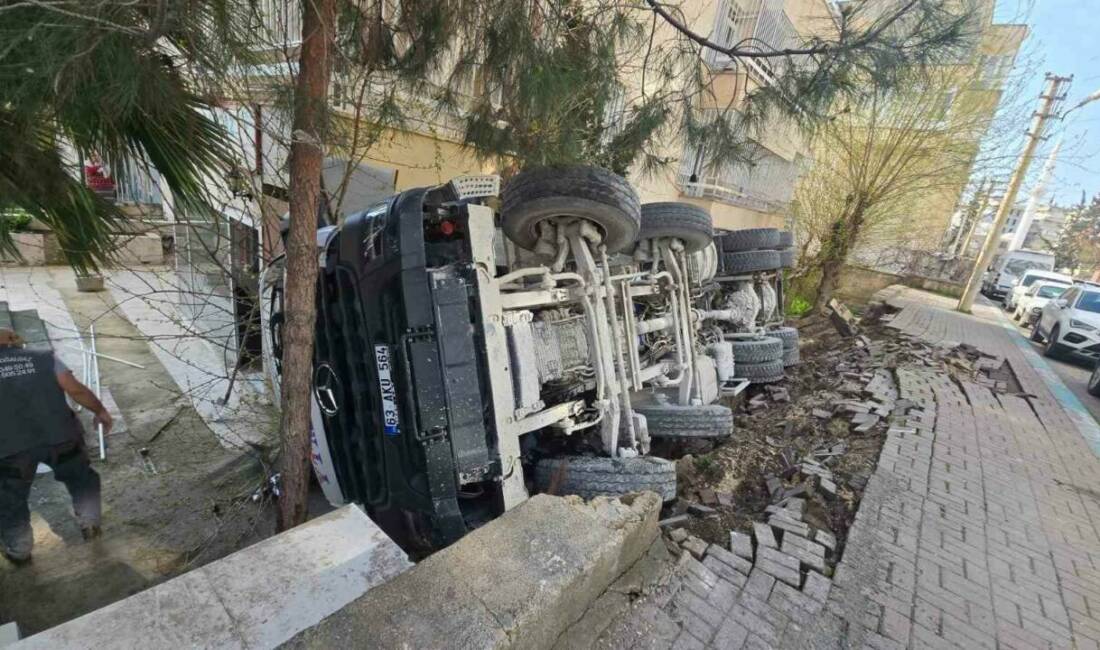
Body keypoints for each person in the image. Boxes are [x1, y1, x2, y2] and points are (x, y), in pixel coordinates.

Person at [0, 327, 112, 565]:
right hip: (60, 437)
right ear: (13, 340)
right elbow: (75, 390)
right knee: (81, 480)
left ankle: (19, 549)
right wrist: (99, 410)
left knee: (10, 498)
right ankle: (90, 523)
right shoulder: (43, 358)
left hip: (10, 449)